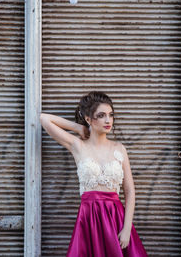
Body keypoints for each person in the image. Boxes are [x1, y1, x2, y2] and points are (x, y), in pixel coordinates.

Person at [40, 91, 148, 257]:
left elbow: (130, 191)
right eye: (101, 115)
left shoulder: (119, 148)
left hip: (116, 218)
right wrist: (78, 127)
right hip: (89, 217)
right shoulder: (78, 146)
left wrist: (127, 229)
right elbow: (44, 118)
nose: (108, 120)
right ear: (89, 119)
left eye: (111, 115)